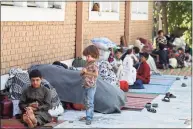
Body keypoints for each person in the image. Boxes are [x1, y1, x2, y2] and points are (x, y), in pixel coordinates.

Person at [80, 45, 99, 125]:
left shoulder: (94, 64)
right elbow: (82, 74)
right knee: (86, 102)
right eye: (86, 57)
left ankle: (89, 118)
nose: (86, 58)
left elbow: (96, 74)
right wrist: (82, 72)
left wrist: (86, 72)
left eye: (88, 56)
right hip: (85, 85)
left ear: (94, 55)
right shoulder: (87, 63)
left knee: (90, 102)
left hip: (91, 86)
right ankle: (89, 115)